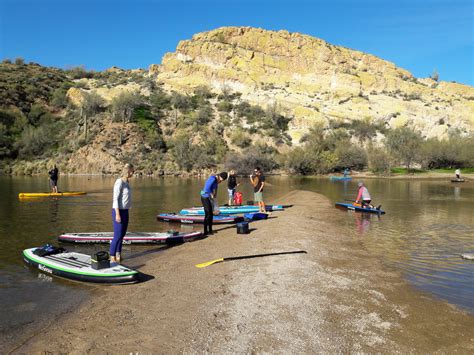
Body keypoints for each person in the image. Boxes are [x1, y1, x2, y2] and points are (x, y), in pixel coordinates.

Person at [110, 163, 134, 263]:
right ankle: (111, 257)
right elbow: (115, 199)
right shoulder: (119, 182)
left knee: (122, 235)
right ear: (128, 171)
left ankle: (118, 254)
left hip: (125, 211)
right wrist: (117, 214)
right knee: (117, 235)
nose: (133, 173)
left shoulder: (127, 182)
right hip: (118, 211)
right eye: (133, 171)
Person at [201, 172, 228, 236]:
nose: (221, 181)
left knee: (211, 214)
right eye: (222, 179)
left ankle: (210, 230)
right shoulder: (212, 178)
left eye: (222, 180)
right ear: (220, 177)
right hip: (205, 197)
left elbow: (215, 188)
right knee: (207, 214)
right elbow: (206, 188)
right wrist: (211, 194)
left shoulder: (216, 181)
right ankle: (205, 231)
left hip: (210, 198)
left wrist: (215, 194)